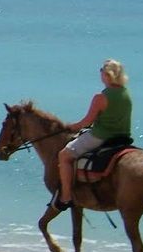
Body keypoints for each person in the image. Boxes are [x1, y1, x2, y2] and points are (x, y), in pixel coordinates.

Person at [53, 59, 133, 211]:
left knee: (64, 156)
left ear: (107, 75)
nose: (101, 74)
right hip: (122, 137)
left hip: (101, 136)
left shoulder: (101, 97)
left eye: (102, 71)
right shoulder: (126, 93)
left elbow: (86, 122)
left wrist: (69, 126)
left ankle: (66, 196)